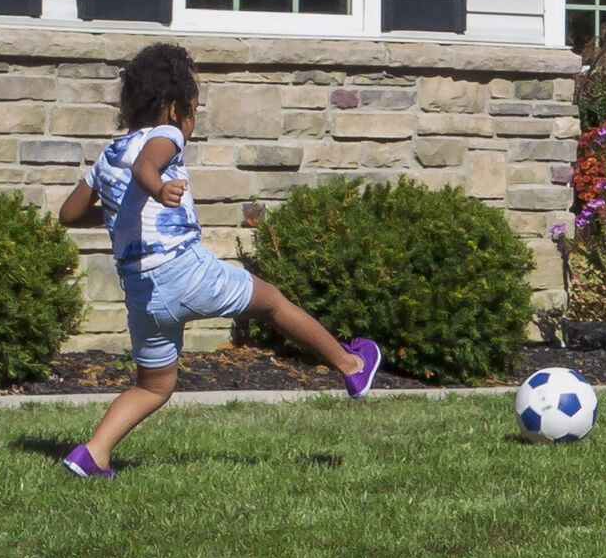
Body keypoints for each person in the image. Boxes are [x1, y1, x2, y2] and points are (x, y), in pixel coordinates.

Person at [57, 42, 380, 479]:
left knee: (153, 386)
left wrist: (120, 211)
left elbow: (69, 214)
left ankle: (93, 454)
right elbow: (146, 167)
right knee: (274, 304)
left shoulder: (107, 155)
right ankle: (352, 365)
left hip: (142, 295)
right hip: (185, 273)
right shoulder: (165, 134)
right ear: (174, 109)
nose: (192, 122)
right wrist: (156, 189)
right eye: (193, 110)